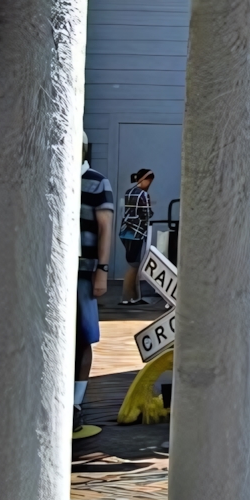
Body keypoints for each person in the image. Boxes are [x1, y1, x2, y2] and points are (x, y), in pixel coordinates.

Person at [75, 132, 116, 439]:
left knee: (83, 336)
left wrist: (101, 269)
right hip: (53, 273)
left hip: (83, 272)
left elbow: (105, 227)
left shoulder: (96, 182)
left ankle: (76, 403)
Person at [119, 168, 155, 305]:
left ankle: (134, 297)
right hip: (137, 232)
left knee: (133, 263)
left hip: (125, 232)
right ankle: (127, 297)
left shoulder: (128, 192)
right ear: (145, 180)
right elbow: (146, 214)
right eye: (150, 181)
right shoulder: (143, 195)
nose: (150, 184)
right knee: (134, 265)